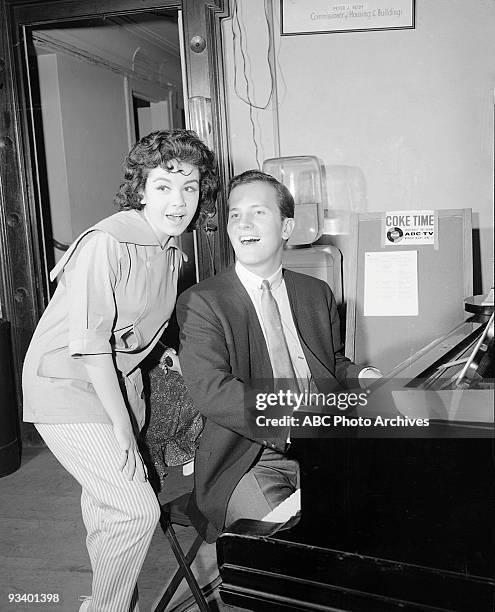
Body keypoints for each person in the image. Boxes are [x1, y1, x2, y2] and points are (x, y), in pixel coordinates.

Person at [22, 129, 218, 612]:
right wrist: (123, 429)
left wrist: (162, 351)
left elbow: (137, 325)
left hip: (117, 383)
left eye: (189, 187)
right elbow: (90, 347)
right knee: (135, 509)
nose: (178, 201)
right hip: (66, 384)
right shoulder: (105, 242)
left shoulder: (170, 251)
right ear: (141, 189)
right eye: (164, 186)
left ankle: (108, 604)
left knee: (108, 506)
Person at [176, 169, 381, 543]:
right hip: (247, 459)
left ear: (287, 227)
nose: (243, 223)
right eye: (235, 214)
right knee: (291, 545)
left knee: (374, 519)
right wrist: (292, 425)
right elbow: (212, 390)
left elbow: (331, 363)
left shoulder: (315, 292)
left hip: (326, 446)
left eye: (258, 212)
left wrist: (366, 377)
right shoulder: (203, 302)